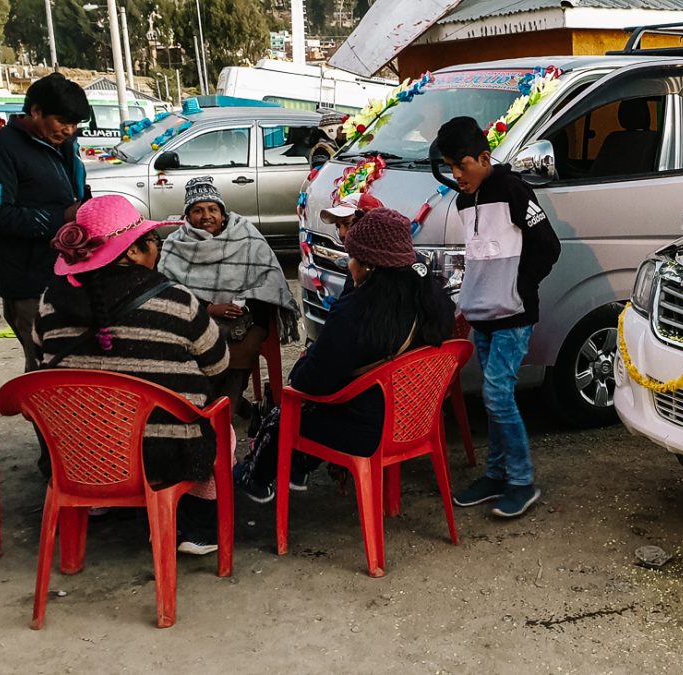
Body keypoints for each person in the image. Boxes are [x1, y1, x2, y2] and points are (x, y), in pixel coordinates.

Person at [35, 195, 230, 555]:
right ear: (132, 253)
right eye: (152, 243)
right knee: (222, 429)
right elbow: (218, 365)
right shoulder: (178, 301)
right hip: (168, 455)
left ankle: (96, 500)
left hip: (79, 454)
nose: (156, 250)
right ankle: (198, 528)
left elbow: (40, 354)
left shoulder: (49, 301)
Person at [234, 208, 456, 502]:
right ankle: (296, 469)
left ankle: (256, 481)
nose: (348, 265)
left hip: (369, 432)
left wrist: (307, 360)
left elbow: (306, 384)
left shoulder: (358, 314)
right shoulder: (432, 297)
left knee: (282, 415)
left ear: (369, 266)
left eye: (351, 257)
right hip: (416, 419)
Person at [435, 116, 560, 519]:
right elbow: (477, 257)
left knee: (497, 395)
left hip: (514, 314)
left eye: (462, 165)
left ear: (484, 157)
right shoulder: (463, 200)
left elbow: (548, 246)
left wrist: (518, 288)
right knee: (493, 401)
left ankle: (522, 482)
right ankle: (496, 475)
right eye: (450, 167)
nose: (457, 174)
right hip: (482, 315)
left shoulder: (512, 189)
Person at [0, 73, 91, 372]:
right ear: (35, 111)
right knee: (45, 365)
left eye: (75, 124)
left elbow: (76, 195)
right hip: (30, 283)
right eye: (63, 120)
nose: (69, 129)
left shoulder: (66, 146)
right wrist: (61, 217)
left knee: (79, 361)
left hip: (71, 274)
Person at [157, 177, 299, 417]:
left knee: (239, 352)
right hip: (196, 319)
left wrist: (241, 307)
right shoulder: (175, 244)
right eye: (197, 210)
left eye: (213, 209)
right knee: (187, 350)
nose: (206, 216)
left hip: (249, 318)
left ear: (223, 214)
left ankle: (223, 415)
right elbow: (168, 291)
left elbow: (269, 280)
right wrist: (210, 308)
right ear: (187, 217)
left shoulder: (246, 235)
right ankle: (219, 407)